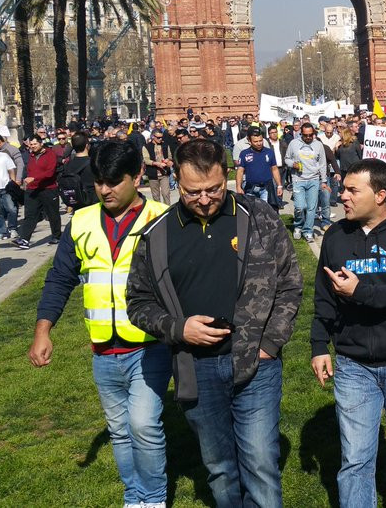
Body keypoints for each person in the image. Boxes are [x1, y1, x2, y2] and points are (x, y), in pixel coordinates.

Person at [126, 138, 302, 507]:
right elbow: (137, 301)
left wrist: (271, 344)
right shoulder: (157, 234)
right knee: (220, 468)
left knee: (261, 464)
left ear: (227, 177)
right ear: (176, 180)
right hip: (197, 368)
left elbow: (290, 282)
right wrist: (178, 329)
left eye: (214, 189)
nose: (205, 199)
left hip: (257, 363)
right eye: (193, 192)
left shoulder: (259, 217)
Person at [28, 141, 171, 508]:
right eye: (99, 181)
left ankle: (153, 499)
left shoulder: (163, 218)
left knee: (144, 426)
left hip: (149, 347)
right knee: (120, 432)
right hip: (103, 350)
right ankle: (133, 496)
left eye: (113, 181)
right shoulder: (82, 221)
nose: (104, 190)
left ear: (137, 175)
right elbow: (60, 279)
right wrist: (43, 330)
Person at [310, 158, 386, 507]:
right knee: (355, 457)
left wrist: (360, 292)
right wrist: (319, 344)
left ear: (380, 195)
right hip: (353, 363)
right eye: (343, 188)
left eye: (352, 190)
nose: (342, 195)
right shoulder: (335, 236)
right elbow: (323, 297)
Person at [14, 133, 63, 250]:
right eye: (31, 144)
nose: (33, 146)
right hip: (32, 190)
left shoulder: (50, 154)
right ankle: (25, 239)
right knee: (30, 215)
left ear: (41, 143)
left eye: (35, 144)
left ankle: (57, 236)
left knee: (53, 214)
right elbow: (29, 171)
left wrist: (35, 178)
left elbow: (50, 172)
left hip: (48, 189)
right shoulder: (30, 156)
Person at [286, 122, 328, 242]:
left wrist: (324, 180)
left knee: (311, 208)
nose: (308, 137)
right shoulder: (294, 143)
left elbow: (322, 164)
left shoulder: (318, 145)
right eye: (305, 135)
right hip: (298, 179)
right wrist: (292, 164)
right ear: (301, 134)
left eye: (310, 135)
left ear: (314, 133)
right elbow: (287, 158)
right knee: (300, 206)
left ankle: (308, 230)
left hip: (314, 179)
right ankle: (298, 226)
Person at [234, 128, 283, 209]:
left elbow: (274, 169)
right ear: (249, 141)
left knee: (265, 212)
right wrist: (238, 187)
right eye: (256, 141)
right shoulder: (244, 154)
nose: (259, 143)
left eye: (260, 141)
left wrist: (279, 186)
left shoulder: (269, 152)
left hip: (266, 189)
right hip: (250, 189)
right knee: (252, 212)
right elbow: (240, 171)